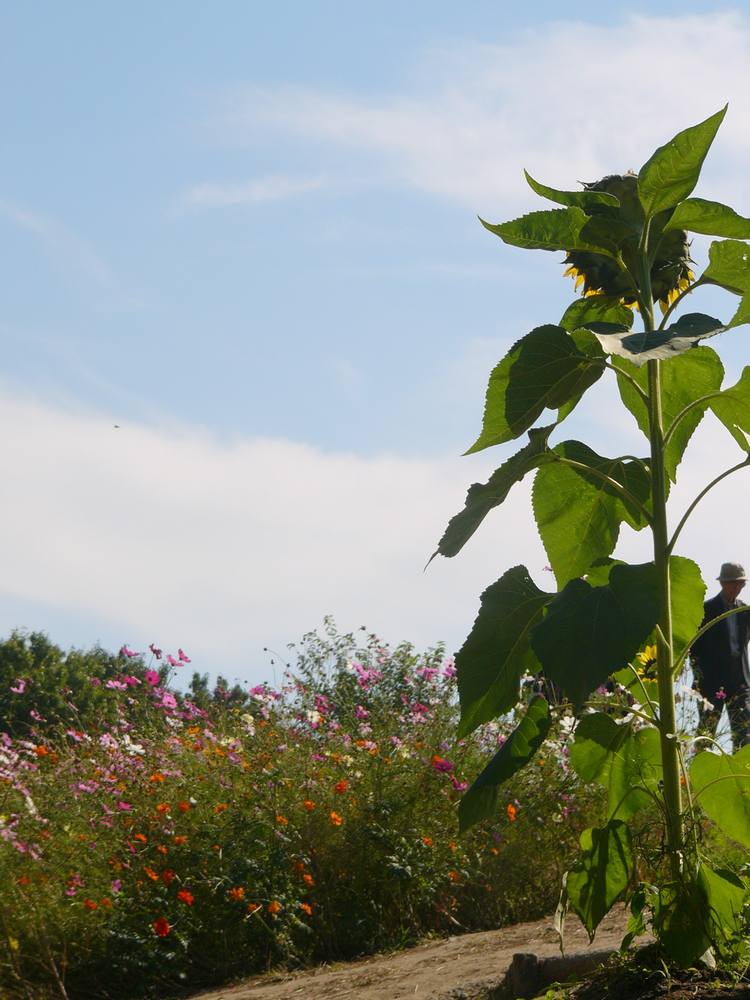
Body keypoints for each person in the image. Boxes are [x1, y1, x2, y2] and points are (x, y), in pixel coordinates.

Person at [691, 562, 750, 748]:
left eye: (740, 584)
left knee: (744, 733)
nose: (737, 587)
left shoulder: (745, 611)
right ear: (723, 583)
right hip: (711, 682)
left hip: (740, 682)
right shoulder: (706, 610)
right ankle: (698, 776)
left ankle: (742, 774)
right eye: (733, 583)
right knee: (707, 733)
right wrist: (700, 677)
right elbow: (694, 649)